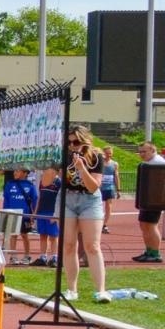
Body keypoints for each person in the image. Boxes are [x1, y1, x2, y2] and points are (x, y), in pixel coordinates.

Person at [60, 125, 110, 302]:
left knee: (92, 246)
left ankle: (101, 290)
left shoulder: (96, 157)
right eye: (69, 142)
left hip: (89, 199)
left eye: (76, 142)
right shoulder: (64, 155)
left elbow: (93, 187)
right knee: (68, 245)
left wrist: (82, 168)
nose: (72, 146)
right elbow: (50, 180)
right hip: (67, 198)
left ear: (85, 141)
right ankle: (72, 289)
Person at [133, 140, 164, 263]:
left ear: (152, 150)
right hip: (147, 200)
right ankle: (149, 251)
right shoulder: (148, 163)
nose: (141, 154)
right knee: (144, 225)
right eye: (140, 152)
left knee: (151, 226)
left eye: (144, 151)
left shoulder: (158, 163)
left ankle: (155, 254)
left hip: (154, 201)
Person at [1, 166, 38, 264]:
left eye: (17, 171)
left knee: (24, 235)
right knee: (13, 235)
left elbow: (35, 200)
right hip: (12, 213)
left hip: (25, 215)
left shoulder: (30, 185)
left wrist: (33, 214)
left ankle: (27, 255)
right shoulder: (10, 184)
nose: (15, 173)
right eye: (15, 171)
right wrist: (5, 212)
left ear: (25, 173)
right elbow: (6, 200)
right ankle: (13, 256)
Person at [33, 165, 61, 265]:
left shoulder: (58, 182)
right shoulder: (43, 182)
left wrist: (56, 214)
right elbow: (40, 197)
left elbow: (60, 200)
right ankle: (43, 257)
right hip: (42, 211)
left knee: (53, 236)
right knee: (42, 235)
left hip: (52, 212)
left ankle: (54, 257)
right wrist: (35, 212)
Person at [99, 146, 118, 233]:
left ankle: (104, 224)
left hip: (110, 188)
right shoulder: (100, 163)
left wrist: (118, 189)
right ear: (103, 153)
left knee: (109, 206)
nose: (108, 155)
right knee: (98, 206)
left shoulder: (114, 164)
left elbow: (116, 176)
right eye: (107, 153)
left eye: (110, 153)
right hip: (100, 188)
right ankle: (98, 223)